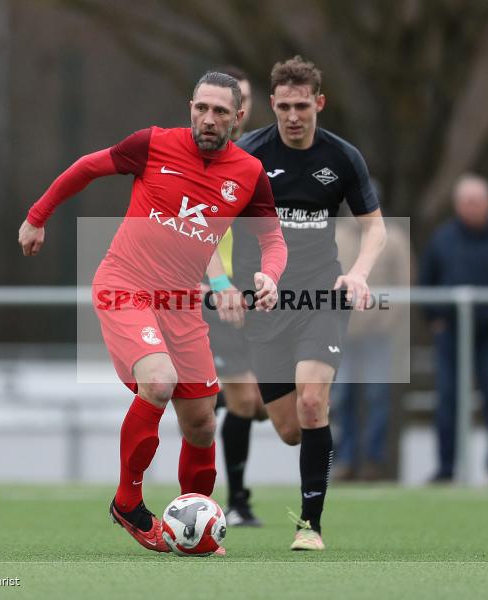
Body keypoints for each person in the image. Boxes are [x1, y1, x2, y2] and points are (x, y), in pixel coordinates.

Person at [17, 72, 287, 553]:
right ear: (190, 108)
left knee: (202, 422)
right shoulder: (153, 144)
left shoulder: (249, 173)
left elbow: (272, 238)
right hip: (125, 285)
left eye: (220, 111)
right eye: (201, 108)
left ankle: (195, 530)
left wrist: (270, 274)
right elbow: (87, 167)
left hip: (181, 304)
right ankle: (128, 503)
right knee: (159, 381)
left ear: (238, 117)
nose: (209, 119)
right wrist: (38, 216)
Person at [225, 56, 387, 550]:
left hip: (321, 296)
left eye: (302, 106)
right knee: (291, 429)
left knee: (313, 403)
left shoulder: (342, 157)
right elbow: (209, 224)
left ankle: (310, 527)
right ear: (272, 105)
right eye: (284, 107)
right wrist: (222, 283)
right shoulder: (247, 155)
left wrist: (358, 275)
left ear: (319, 103)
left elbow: (375, 228)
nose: (293, 116)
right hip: (264, 303)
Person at [420, 174, 488, 484]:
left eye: (476, 202)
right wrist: (434, 316)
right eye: (466, 202)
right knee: (447, 399)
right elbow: (427, 279)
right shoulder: (442, 239)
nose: (471, 207)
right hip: (451, 332)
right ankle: (446, 467)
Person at [200, 66, 267, 527]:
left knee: (259, 404)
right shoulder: (200, 159)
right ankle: (235, 501)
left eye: (240, 101)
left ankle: (207, 399)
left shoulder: (258, 164)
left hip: (256, 295)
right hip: (212, 297)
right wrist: (217, 285)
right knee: (242, 400)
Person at [331, 217, 412, 481]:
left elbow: (404, 284)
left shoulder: (394, 238)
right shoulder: (336, 235)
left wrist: (384, 323)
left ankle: (373, 461)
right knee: (343, 397)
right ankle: (345, 459)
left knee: (377, 397)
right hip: (343, 335)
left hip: (379, 336)